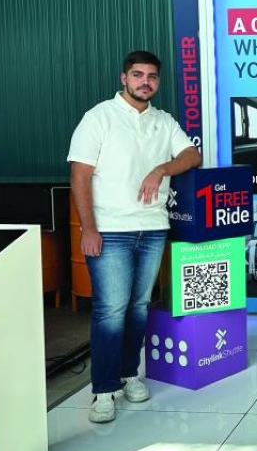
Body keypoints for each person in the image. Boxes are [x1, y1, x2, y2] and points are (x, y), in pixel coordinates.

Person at [68, 50, 202, 424]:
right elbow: (79, 176)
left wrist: (160, 169)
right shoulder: (99, 118)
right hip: (110, 231)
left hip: (153, 227)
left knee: (139, 307)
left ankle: (129, 374)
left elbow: (191, 155)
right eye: (138, 75)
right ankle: (103, 390)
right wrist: (88, 229)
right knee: (110, 311)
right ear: (124, 78)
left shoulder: (163, 121)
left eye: (152, 76)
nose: (146, 82)